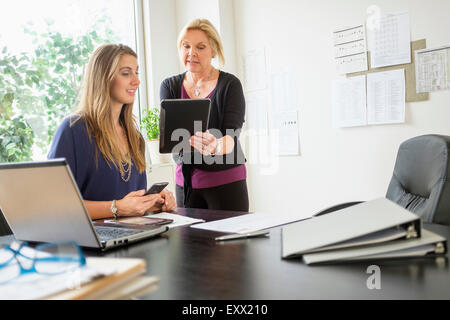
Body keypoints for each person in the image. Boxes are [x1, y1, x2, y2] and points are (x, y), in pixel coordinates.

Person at [48, 44, 176, 220]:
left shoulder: (135, 137)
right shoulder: (72, 130)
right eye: (126, 73)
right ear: (103, 78)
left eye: (136, 73)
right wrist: (117, 208)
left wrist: (152, 204)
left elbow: (129, 203)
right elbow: (56, 205)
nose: (136, 81)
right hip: (91, 241)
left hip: (131, 235)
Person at [160, 19, 249, 212]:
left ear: (214, 50)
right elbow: (170, 139)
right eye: (186, 46)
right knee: (189, 242)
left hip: (226, 182)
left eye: (200, 47)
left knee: (230, 241)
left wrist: (215, 145)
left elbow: (232, 136)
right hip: (186, 184)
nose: (191, 53)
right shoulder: (169, 86)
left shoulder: (230, 85)